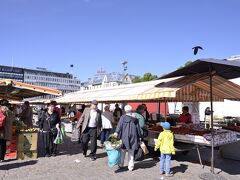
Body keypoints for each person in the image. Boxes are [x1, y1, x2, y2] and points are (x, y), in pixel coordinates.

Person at [114, 105, 142, 171]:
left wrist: (116, 132)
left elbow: (119, 126)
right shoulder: (135, 118)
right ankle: (131, 167)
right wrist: (140, 136)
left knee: (123, 151)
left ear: (125, 110)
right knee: (131, 151)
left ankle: (121, 164)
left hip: (124, 136)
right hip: (133, 136)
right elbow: (138, 129)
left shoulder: (123, 117)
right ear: (131, 110)